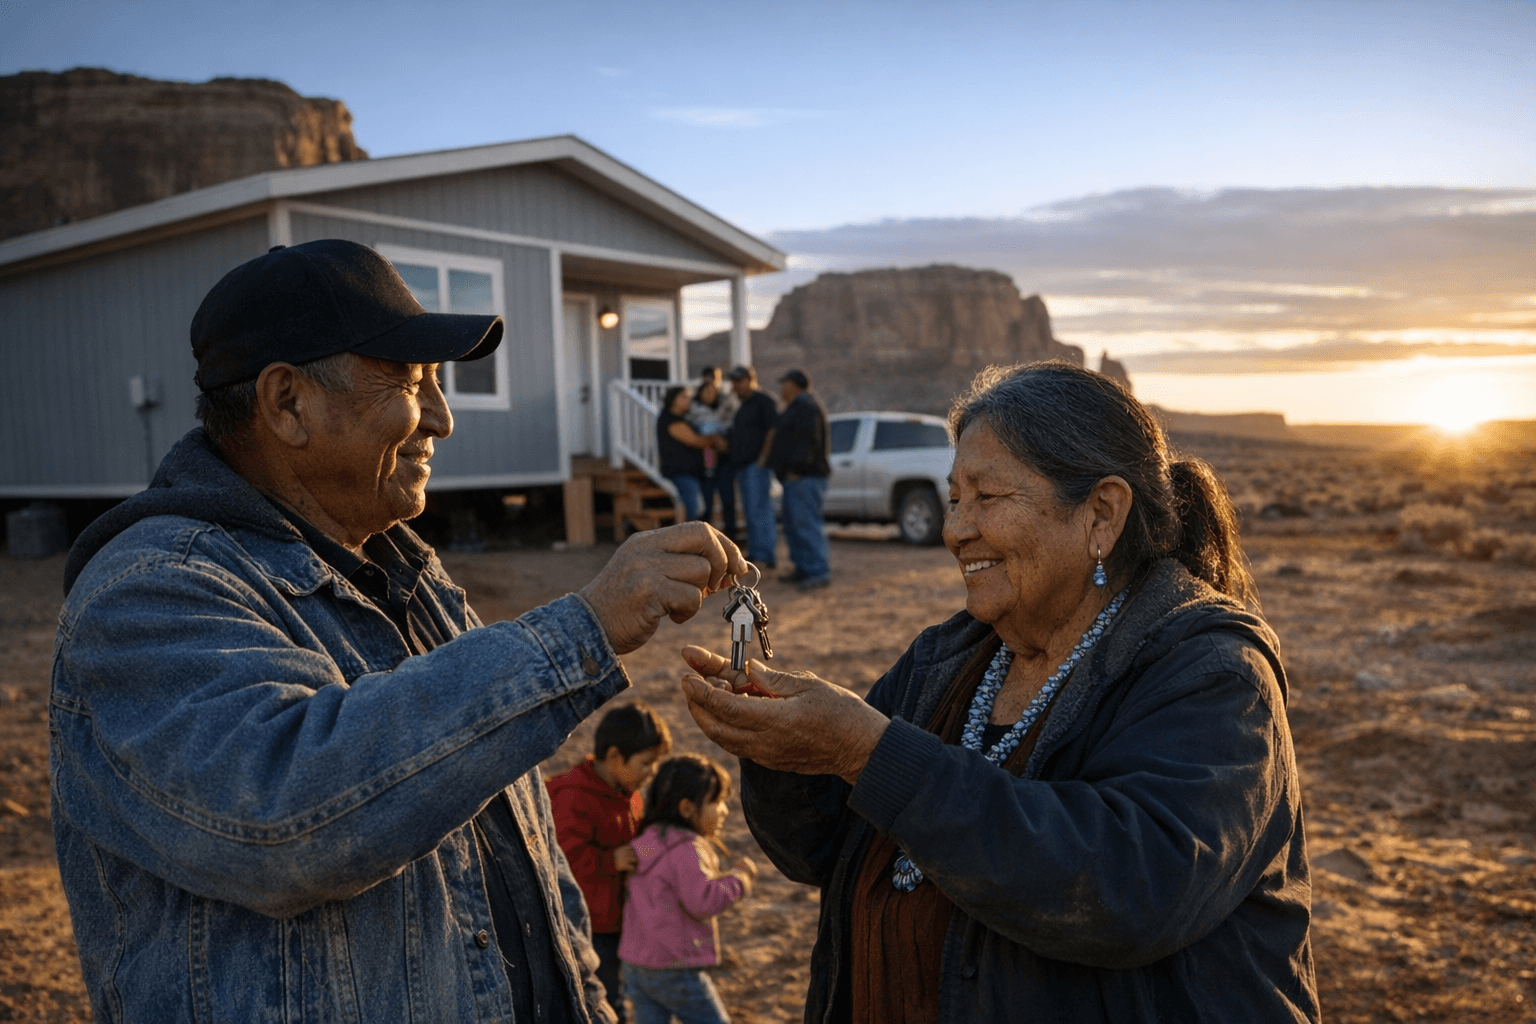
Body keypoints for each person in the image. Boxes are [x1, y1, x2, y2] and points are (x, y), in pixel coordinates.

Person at [51, 239, 748, 1024]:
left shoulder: (402, 571)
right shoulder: (151, 589)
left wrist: (587, 999)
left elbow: (520, 842)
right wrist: (579, 630)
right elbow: (288, 818)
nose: (442, 420)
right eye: (412, 383)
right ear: (287, 404)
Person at [680, 361, 1320, 1022]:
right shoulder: (948, 657)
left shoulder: (1212, 673)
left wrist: (868, 752)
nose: (955, 529)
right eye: (954, 498)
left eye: (988, 497)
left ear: (1101, 515)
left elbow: (1133, 890)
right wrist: (784, 752)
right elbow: (822, 852)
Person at [547, 702, 675, 1023]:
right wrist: (610, 860)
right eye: (647, 763)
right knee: (598, 1001)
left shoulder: (625, 789)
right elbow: (562, 859)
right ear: (616, 757)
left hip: (617, 917)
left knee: (615, 991)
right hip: (586, 923)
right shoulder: (574, 795)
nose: (652, 773)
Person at [619, 755, 757, 1024]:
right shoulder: (688, 849)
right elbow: (702, 902)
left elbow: (635, 860)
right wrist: (739, 879)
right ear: (686, 809)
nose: (724, 811)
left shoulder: (648, 837)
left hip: (636, 964)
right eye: (716, 802)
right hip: (673, 967)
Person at [766, 368, 831, 590]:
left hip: (804, 477)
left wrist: (796, 468)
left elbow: (808, 441)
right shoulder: (799, 406)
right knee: (794, 525)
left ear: (793, 385)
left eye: (784, 383)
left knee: (806, 524)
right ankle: (803, 568)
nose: (781, 388)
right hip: (796, 478)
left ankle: (817, 571)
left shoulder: (806, 406)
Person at [724, 366, 779, 569]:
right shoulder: (742, 406)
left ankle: (766, 556)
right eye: (734, 381)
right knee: (750, 512)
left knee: (759, 511)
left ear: (751, 379)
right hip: (742, 466)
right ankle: (757, 554)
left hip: (756, 466)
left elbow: (773, 430)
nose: (736, 385)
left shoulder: (763, 400)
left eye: (740, 380)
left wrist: (763, 458)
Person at [658, 385, 721, 522]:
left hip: (696, 473)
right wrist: (715, 439)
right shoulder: (670, 420)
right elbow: (696, 441)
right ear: (673, 400)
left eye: (689, 397)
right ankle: (689, 542)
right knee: (693, 511)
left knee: (702, 512)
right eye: (684, 397)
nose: (689, 400)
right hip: (682, 474)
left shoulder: (684, 419)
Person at [687, 368, 734, 538]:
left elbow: (729, 424)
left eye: (712, 391)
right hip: (703, 462)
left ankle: (731, 536)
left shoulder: (724, 405)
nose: (710, 394)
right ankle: (704, 538)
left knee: (728, 500)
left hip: (723, 462)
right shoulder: (693, 410)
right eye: (706, 391)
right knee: (706, 504)